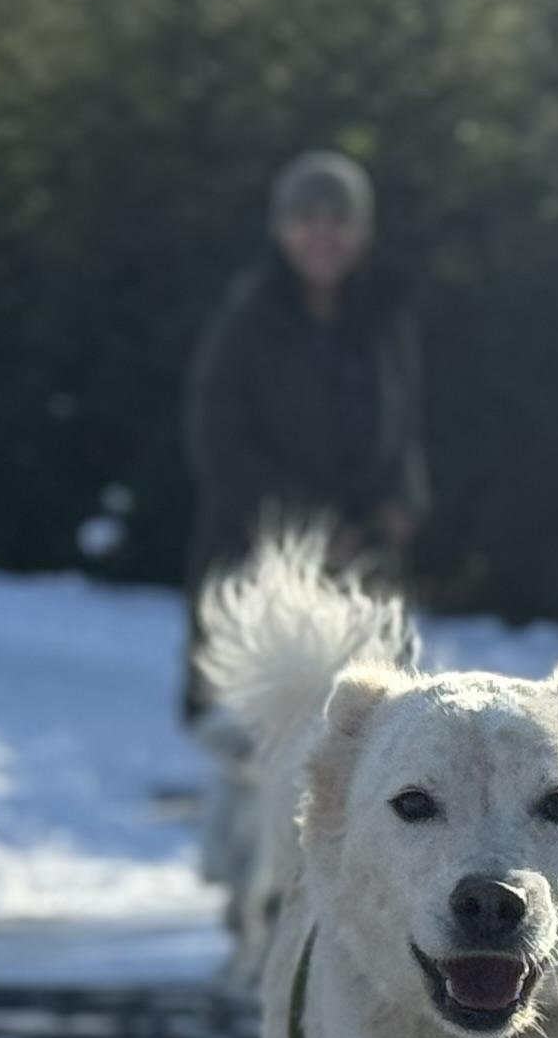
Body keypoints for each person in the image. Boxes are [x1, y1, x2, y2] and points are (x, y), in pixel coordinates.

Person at [181, 150, 428, 721]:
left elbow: (406, 417)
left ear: (361, 231)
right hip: (258, 550)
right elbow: (218, 438)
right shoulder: (246, 316)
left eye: (338, 220)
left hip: (366, 556)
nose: (323, 235)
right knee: (253, 730)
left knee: (364, 723)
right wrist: (311, 527)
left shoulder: (389, 314)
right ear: (281, 228)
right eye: (307, 219)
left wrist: (405, 499)